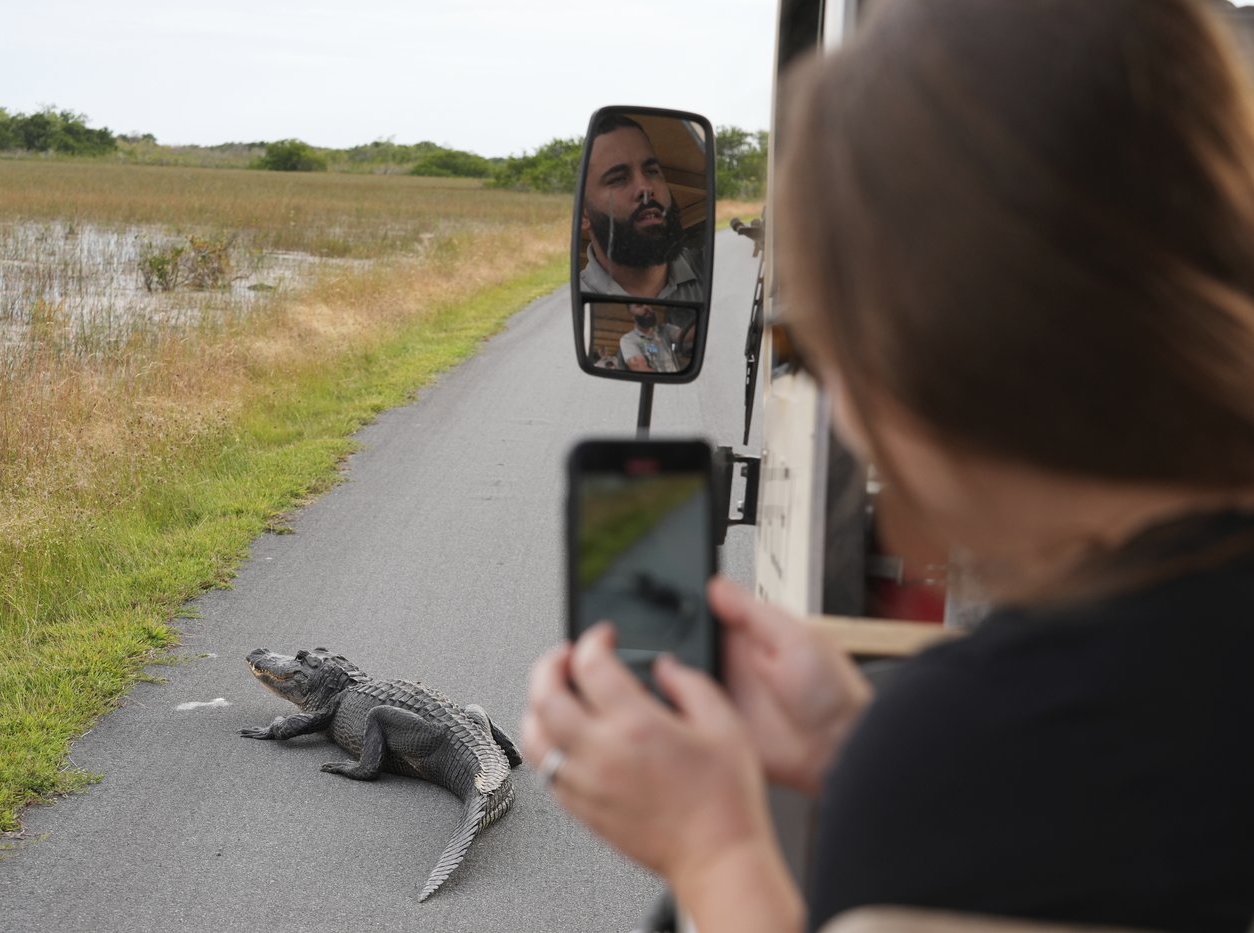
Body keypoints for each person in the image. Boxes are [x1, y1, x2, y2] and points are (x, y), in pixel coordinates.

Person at [524, 1, 1254, 931]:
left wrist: (714, 851)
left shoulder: (948, 759)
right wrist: (848, 742)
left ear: (913, 359)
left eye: (815, 336)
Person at [578, 113, 705, 306]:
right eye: (619, 178)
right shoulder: (568, 306)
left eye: (652, 171)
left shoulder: (714, 269)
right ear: (584, 215)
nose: (645, 188)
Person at [620, 304, 684, 374]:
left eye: (648, 304)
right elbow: (639, 367)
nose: (646, 307)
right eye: (639, 305)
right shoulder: (628, 339)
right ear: (631, 315)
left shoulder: (665, 329)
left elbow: (684, 335)